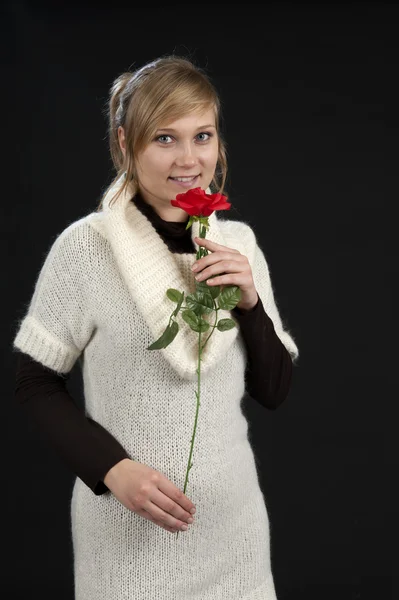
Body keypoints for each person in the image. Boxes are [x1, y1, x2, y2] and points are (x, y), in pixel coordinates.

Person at [13, 55, 299, 600]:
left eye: (203, 135)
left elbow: (274, 391)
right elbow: (34, 382)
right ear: (125, 143)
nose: (188, 159)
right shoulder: (86, 248)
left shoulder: (238, 244)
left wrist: (250, 301)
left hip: (234, 535)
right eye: (164, 138)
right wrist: (112, 470)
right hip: (129, 542)